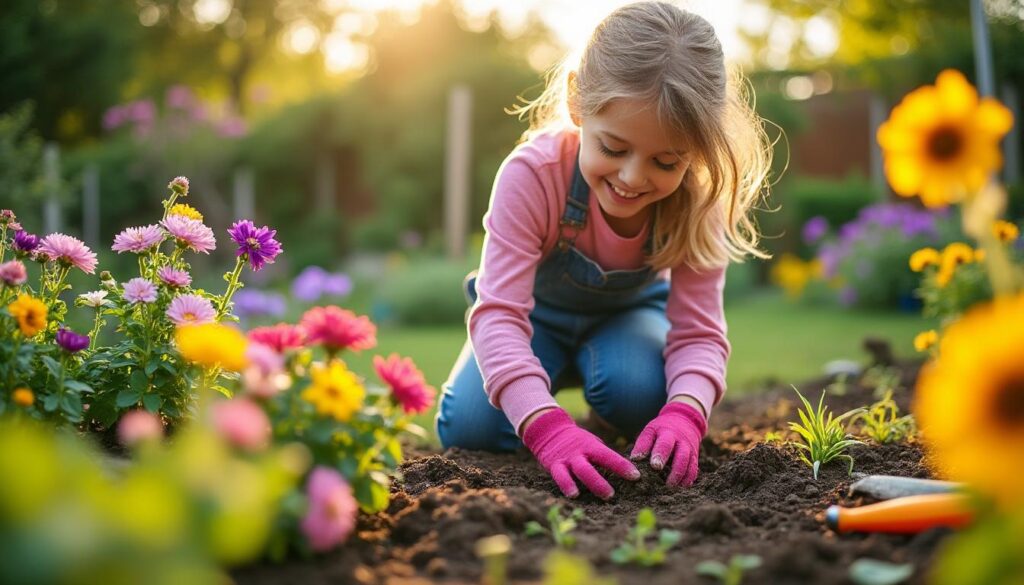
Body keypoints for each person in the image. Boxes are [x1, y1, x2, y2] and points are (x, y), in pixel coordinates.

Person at [435, 1, 772, 500]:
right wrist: (547, 430)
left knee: (641, 397)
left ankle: (603, 418)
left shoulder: (698, 200)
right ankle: (548, 402)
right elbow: (499, 316)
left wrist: (686, 413)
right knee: (471, 427)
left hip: (628, 320)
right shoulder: (533, 176)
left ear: (697, 150)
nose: (633, 177)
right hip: (536, 322)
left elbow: (699, 333)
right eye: (613, 149)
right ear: (577, 102)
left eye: (665, 161)